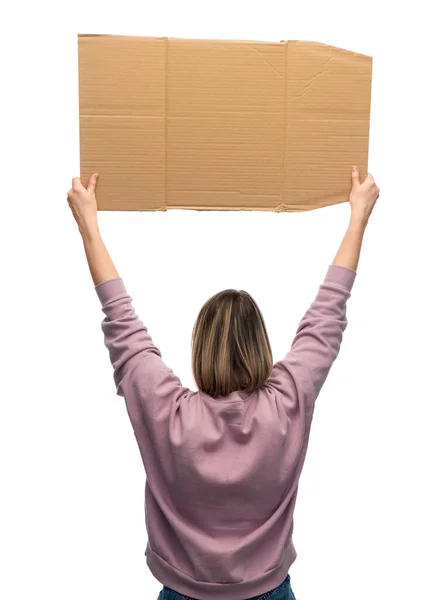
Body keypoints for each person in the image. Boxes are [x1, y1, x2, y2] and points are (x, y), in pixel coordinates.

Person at [67, 166, 380, 600]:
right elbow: (328, 311)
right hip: (269, 589)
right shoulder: (287, 400)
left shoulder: (166, 409)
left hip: (181, 591)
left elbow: (120, 317)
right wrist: (358, 217)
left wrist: (89, 225)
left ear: (201, 348)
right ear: (260, 347)